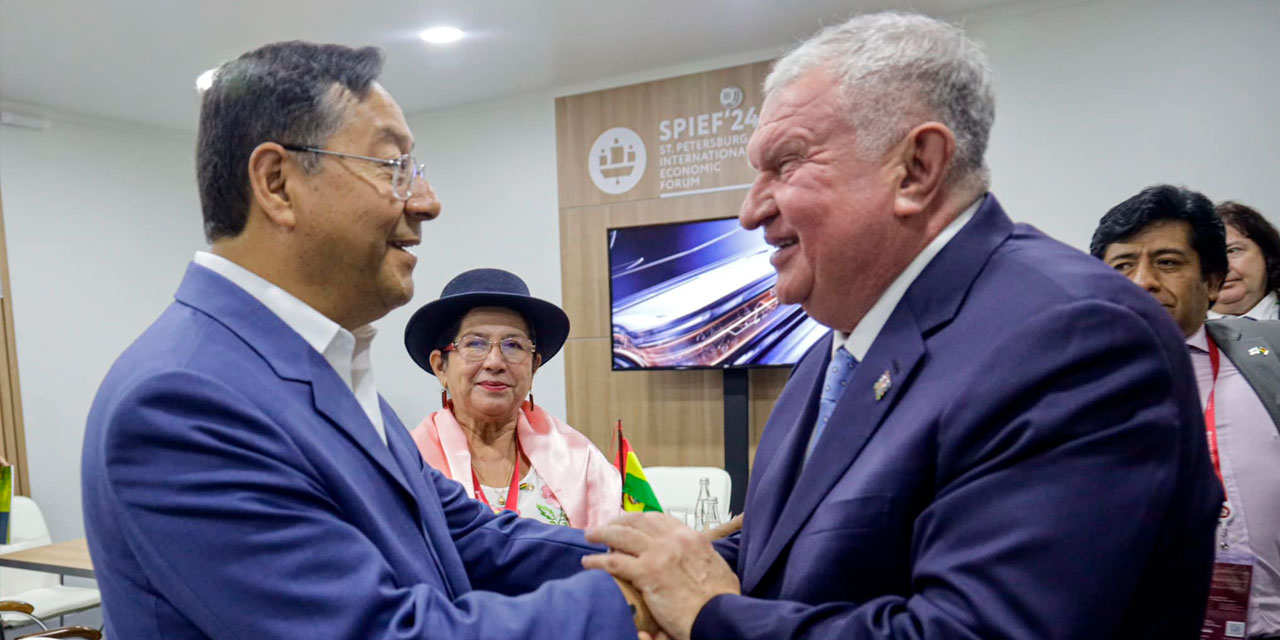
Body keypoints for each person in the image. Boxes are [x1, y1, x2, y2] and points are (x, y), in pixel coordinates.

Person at [582, 12, 1221, 640]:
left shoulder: (1076, 339)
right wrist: (663, 581)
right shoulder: (829, 358)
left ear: (917, 168)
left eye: (787, 165)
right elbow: (785, 559)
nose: (750, 211)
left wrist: (711, 616)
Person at [80, 41, 651, 639]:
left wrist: (672, 557)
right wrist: (637, 599)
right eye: (393, 168)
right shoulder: (184, 402)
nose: (427, 202)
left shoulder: (320, 372)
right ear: (277, 183)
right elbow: (378, 632)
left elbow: (471, 536)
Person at [1092, 185, 1280, 639]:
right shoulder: (1076, 389)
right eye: (1122, 266)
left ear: (1213, 281)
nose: (1142, 282)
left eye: (1168, 262)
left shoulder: (1268, 354)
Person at [403, 268, 621, 528]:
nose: (495, 362)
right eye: (475, 344)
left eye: (514, 345)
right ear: (441, 367)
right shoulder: (408, 463)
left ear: (534, 367)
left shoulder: (579, 459)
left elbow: (616, 554)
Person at [1212, 201, 1280, 320]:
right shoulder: (1173, 332)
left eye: (1233, 251)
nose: (1221, 268)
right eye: (1205, 256)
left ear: (1267, 255)